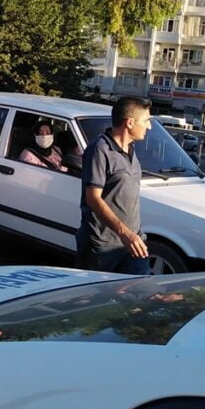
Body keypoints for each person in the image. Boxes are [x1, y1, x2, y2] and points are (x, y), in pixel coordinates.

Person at [76, 95, 152, 275]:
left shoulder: (131, 150)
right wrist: (125, 233)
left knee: (138, 292)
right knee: (94, 299)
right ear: (130, 123)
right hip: (102, 247)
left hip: (133, 243)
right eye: (146, 120)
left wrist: (132, 235)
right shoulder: (99, 150)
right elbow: (93, 198)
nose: (149, 126)